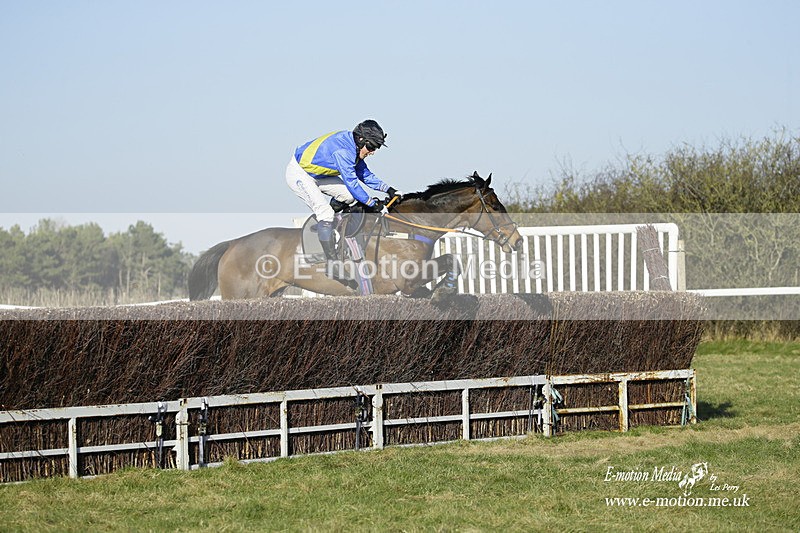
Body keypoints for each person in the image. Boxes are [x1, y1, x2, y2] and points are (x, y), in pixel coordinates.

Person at [286, 119, 402, 263]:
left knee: (349, 198)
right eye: (371, 147)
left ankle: (327, 227)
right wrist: (373, 204)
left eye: (376, 148)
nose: (372, 152)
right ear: (361, 140)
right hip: (300, 174)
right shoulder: (344, 152)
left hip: (319, 175)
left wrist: (388, 189)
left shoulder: (354, 147)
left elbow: (364, 174)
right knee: (327, 213)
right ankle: (332, 262)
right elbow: (353, 184)